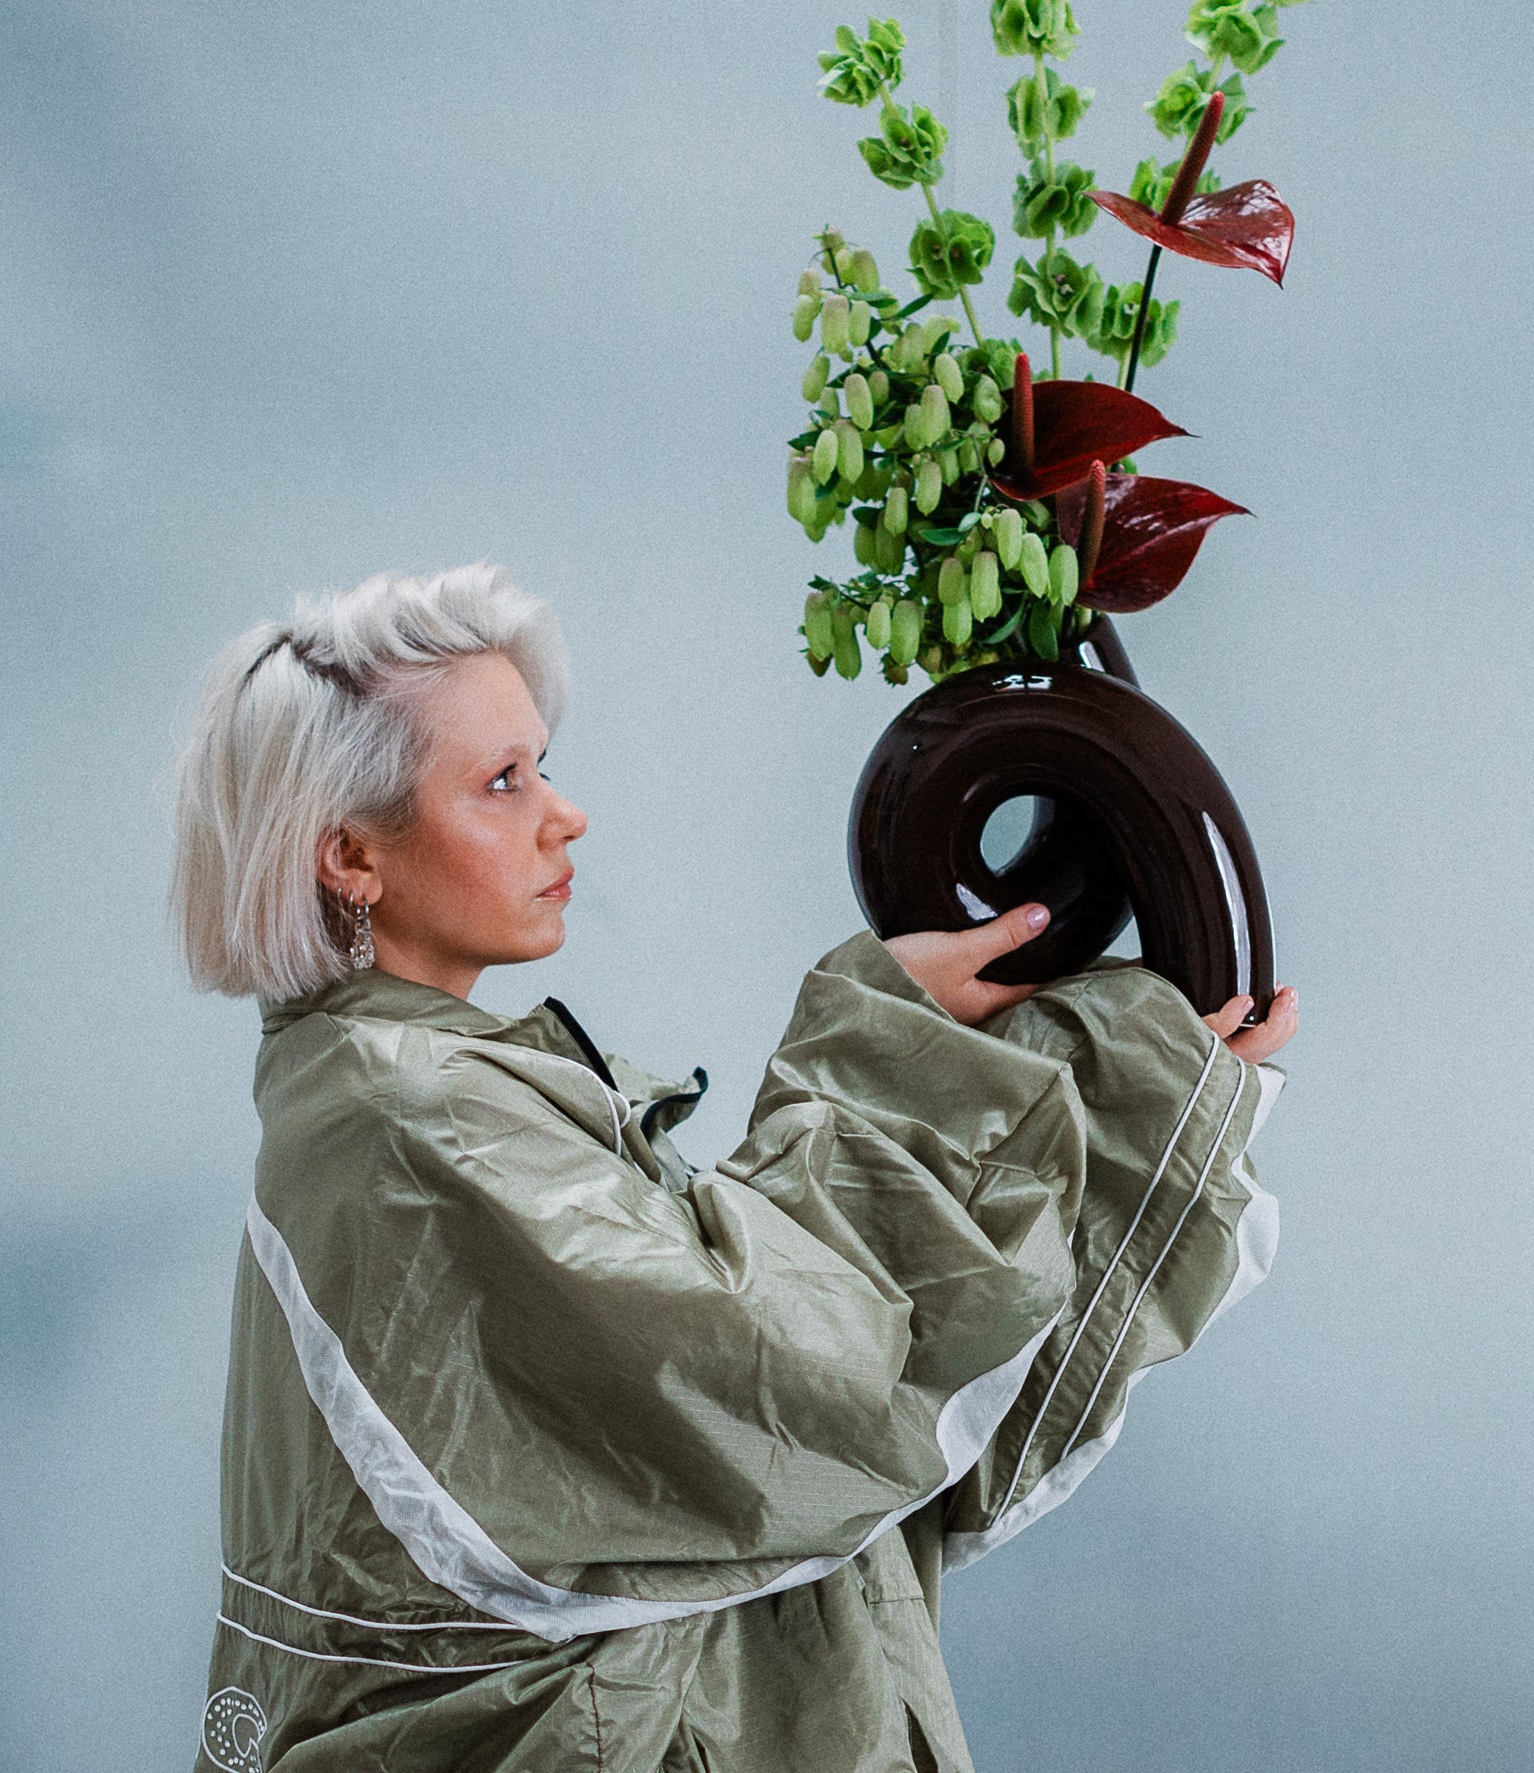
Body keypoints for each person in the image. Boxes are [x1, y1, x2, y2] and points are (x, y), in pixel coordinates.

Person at [174, 562, 1296, 1773]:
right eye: (502, 781)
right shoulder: (407, 1115)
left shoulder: (413, 1084)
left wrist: (1102, 1080)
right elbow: (785, 1374)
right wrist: (888, 1044)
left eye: (542, 764)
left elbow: (778, 1422)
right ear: (351, 856)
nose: (564, 812)